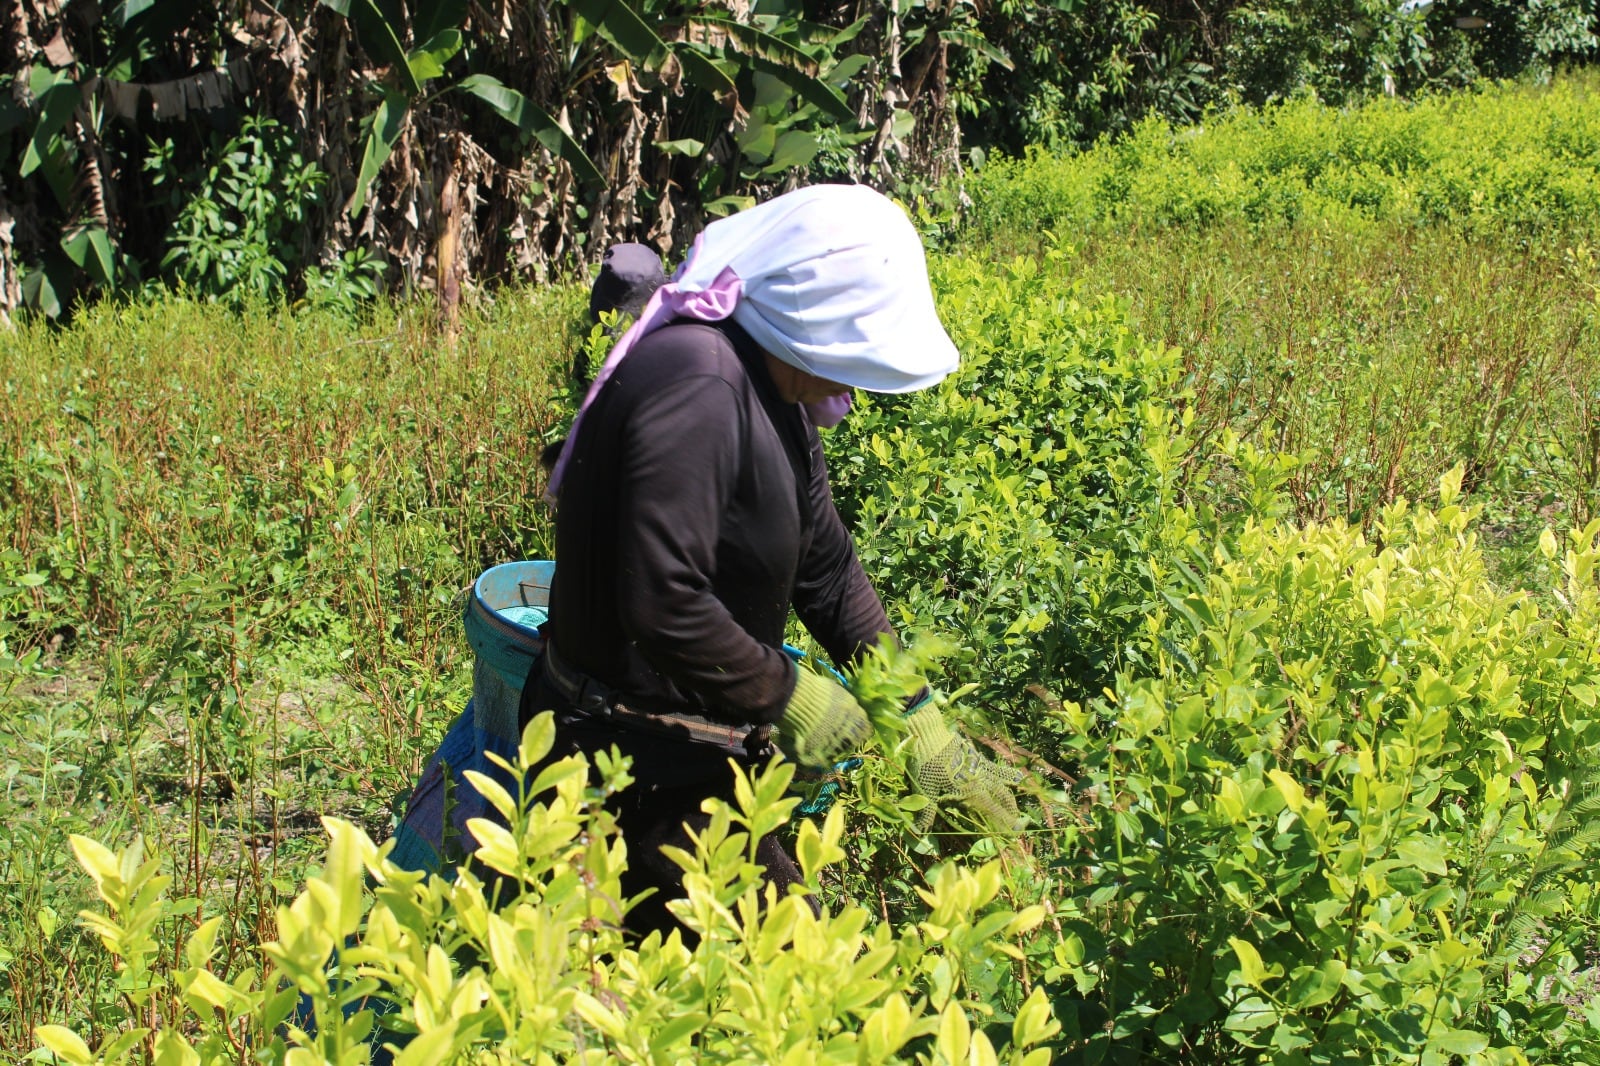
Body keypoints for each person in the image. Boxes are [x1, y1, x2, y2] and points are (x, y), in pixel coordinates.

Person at [392, 184, 1024, 944]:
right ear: (810, 320)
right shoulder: (699, 383)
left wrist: (916, 719)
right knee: (777, 975)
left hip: (692, 760)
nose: (855, 385)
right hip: (620, 767)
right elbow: (660, 597)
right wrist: (790, 695)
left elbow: (827, 571)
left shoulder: (775, 388)